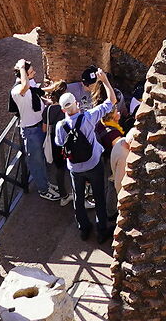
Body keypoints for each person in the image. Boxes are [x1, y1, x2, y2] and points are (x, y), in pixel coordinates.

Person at [52, 86, 120, 243]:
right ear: (76, 103)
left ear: (63, 110)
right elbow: (111, 101)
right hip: (93, 164)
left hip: (75, 168)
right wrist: (104, 81)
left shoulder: (60, 126)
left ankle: (84, 228)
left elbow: (59, 142)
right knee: (99, 197)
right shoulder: (88, 117)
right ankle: (101, 230)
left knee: (78, 198)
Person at [9, 59, 58, 202]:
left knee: (42, 157)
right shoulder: (17, 90)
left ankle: (46, 184)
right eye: (31, 72)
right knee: (36, 161)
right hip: (31, 131)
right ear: (23, 74)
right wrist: (22, 67)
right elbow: (25, 86)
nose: (34, 73)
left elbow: (39, 93)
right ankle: (43, 189)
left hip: (40, 126)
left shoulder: (31, 84)